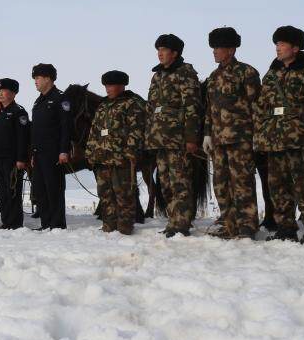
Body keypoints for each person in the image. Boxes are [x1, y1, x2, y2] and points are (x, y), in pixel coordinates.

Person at [253, 26, 304, 244]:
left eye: (282, 44)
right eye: (276, 44)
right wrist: (260, 136)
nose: (277, 48)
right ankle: (285, 227)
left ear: (295, 48)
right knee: (278, 187)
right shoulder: (272, 74)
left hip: (300, 140)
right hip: (274, 140)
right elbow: (261, 107)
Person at [203, 27, 262, 239]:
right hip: (219, 141)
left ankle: (247, 227)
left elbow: (256, 106)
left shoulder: (247, 72)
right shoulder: (213, 77)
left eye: (218, 48)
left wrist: (257, 136)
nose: (214, 52)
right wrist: (207, 134)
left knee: (243, 183)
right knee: (221, 184)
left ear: (231, 49)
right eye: (213, 48)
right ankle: (229, 225)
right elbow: (209, 109)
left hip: (241, 139)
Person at [145, 34, 203, 237]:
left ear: (175, 53)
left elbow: (192, 106)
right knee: (166, 183)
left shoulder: (185, 73)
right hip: (160, 139)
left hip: (178, 139)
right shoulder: (157, 76)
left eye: (164, 49)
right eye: (158, 49)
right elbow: (151, 108)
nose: (160, 53)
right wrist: (149, 136)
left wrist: (191, 138)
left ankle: (182, 223)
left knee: (181, 182)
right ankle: (173, 221)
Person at [85, 70, 146, 235]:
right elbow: (94, 131)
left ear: (122, 85)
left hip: (122, 159)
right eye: (106, 85)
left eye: (111, 85)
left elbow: (136, 130)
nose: (107, 89)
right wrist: (90, 153)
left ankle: (125, 228)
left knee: (124, 195)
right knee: (105, 195)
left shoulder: (132, 103)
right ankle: (109, 226)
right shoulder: (103, 106)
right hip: (102, 159)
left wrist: (132, 152)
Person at [29, 63, 73, 230]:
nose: (35, 81)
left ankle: (57, 224)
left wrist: (63, 150)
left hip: (54, 153)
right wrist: (33, 153)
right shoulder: (38, 101)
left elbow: (65, 127)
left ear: (48, 78)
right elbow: (36, 130)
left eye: (38, 77)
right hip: (39, 153)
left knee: (54, 189)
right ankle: (46, 223)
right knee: (40, 190)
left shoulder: (61, 98)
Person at [0, 78, 30, 229]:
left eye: (3, 91)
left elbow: (22, 137)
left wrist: (21, 158)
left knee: (12, 191)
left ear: (13, 93)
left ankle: (14, 222)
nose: (0, 93)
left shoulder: (19, 112)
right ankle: (6, 221)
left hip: (12, 160)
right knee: (3, 192)